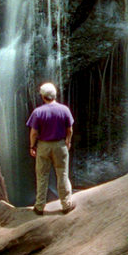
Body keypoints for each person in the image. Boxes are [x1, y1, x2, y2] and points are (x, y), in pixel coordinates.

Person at [26, 82, 74, 214]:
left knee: (42, 175)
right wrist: (68, 142)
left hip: (43, 146)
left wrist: (32, 146)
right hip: (60, 145)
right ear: (55, 95)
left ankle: (40, 206)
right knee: (62, 174)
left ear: (42, 96)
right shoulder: (64, 110)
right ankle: (66, 204)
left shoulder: (38, 112)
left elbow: (34, 132)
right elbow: (69, 129)